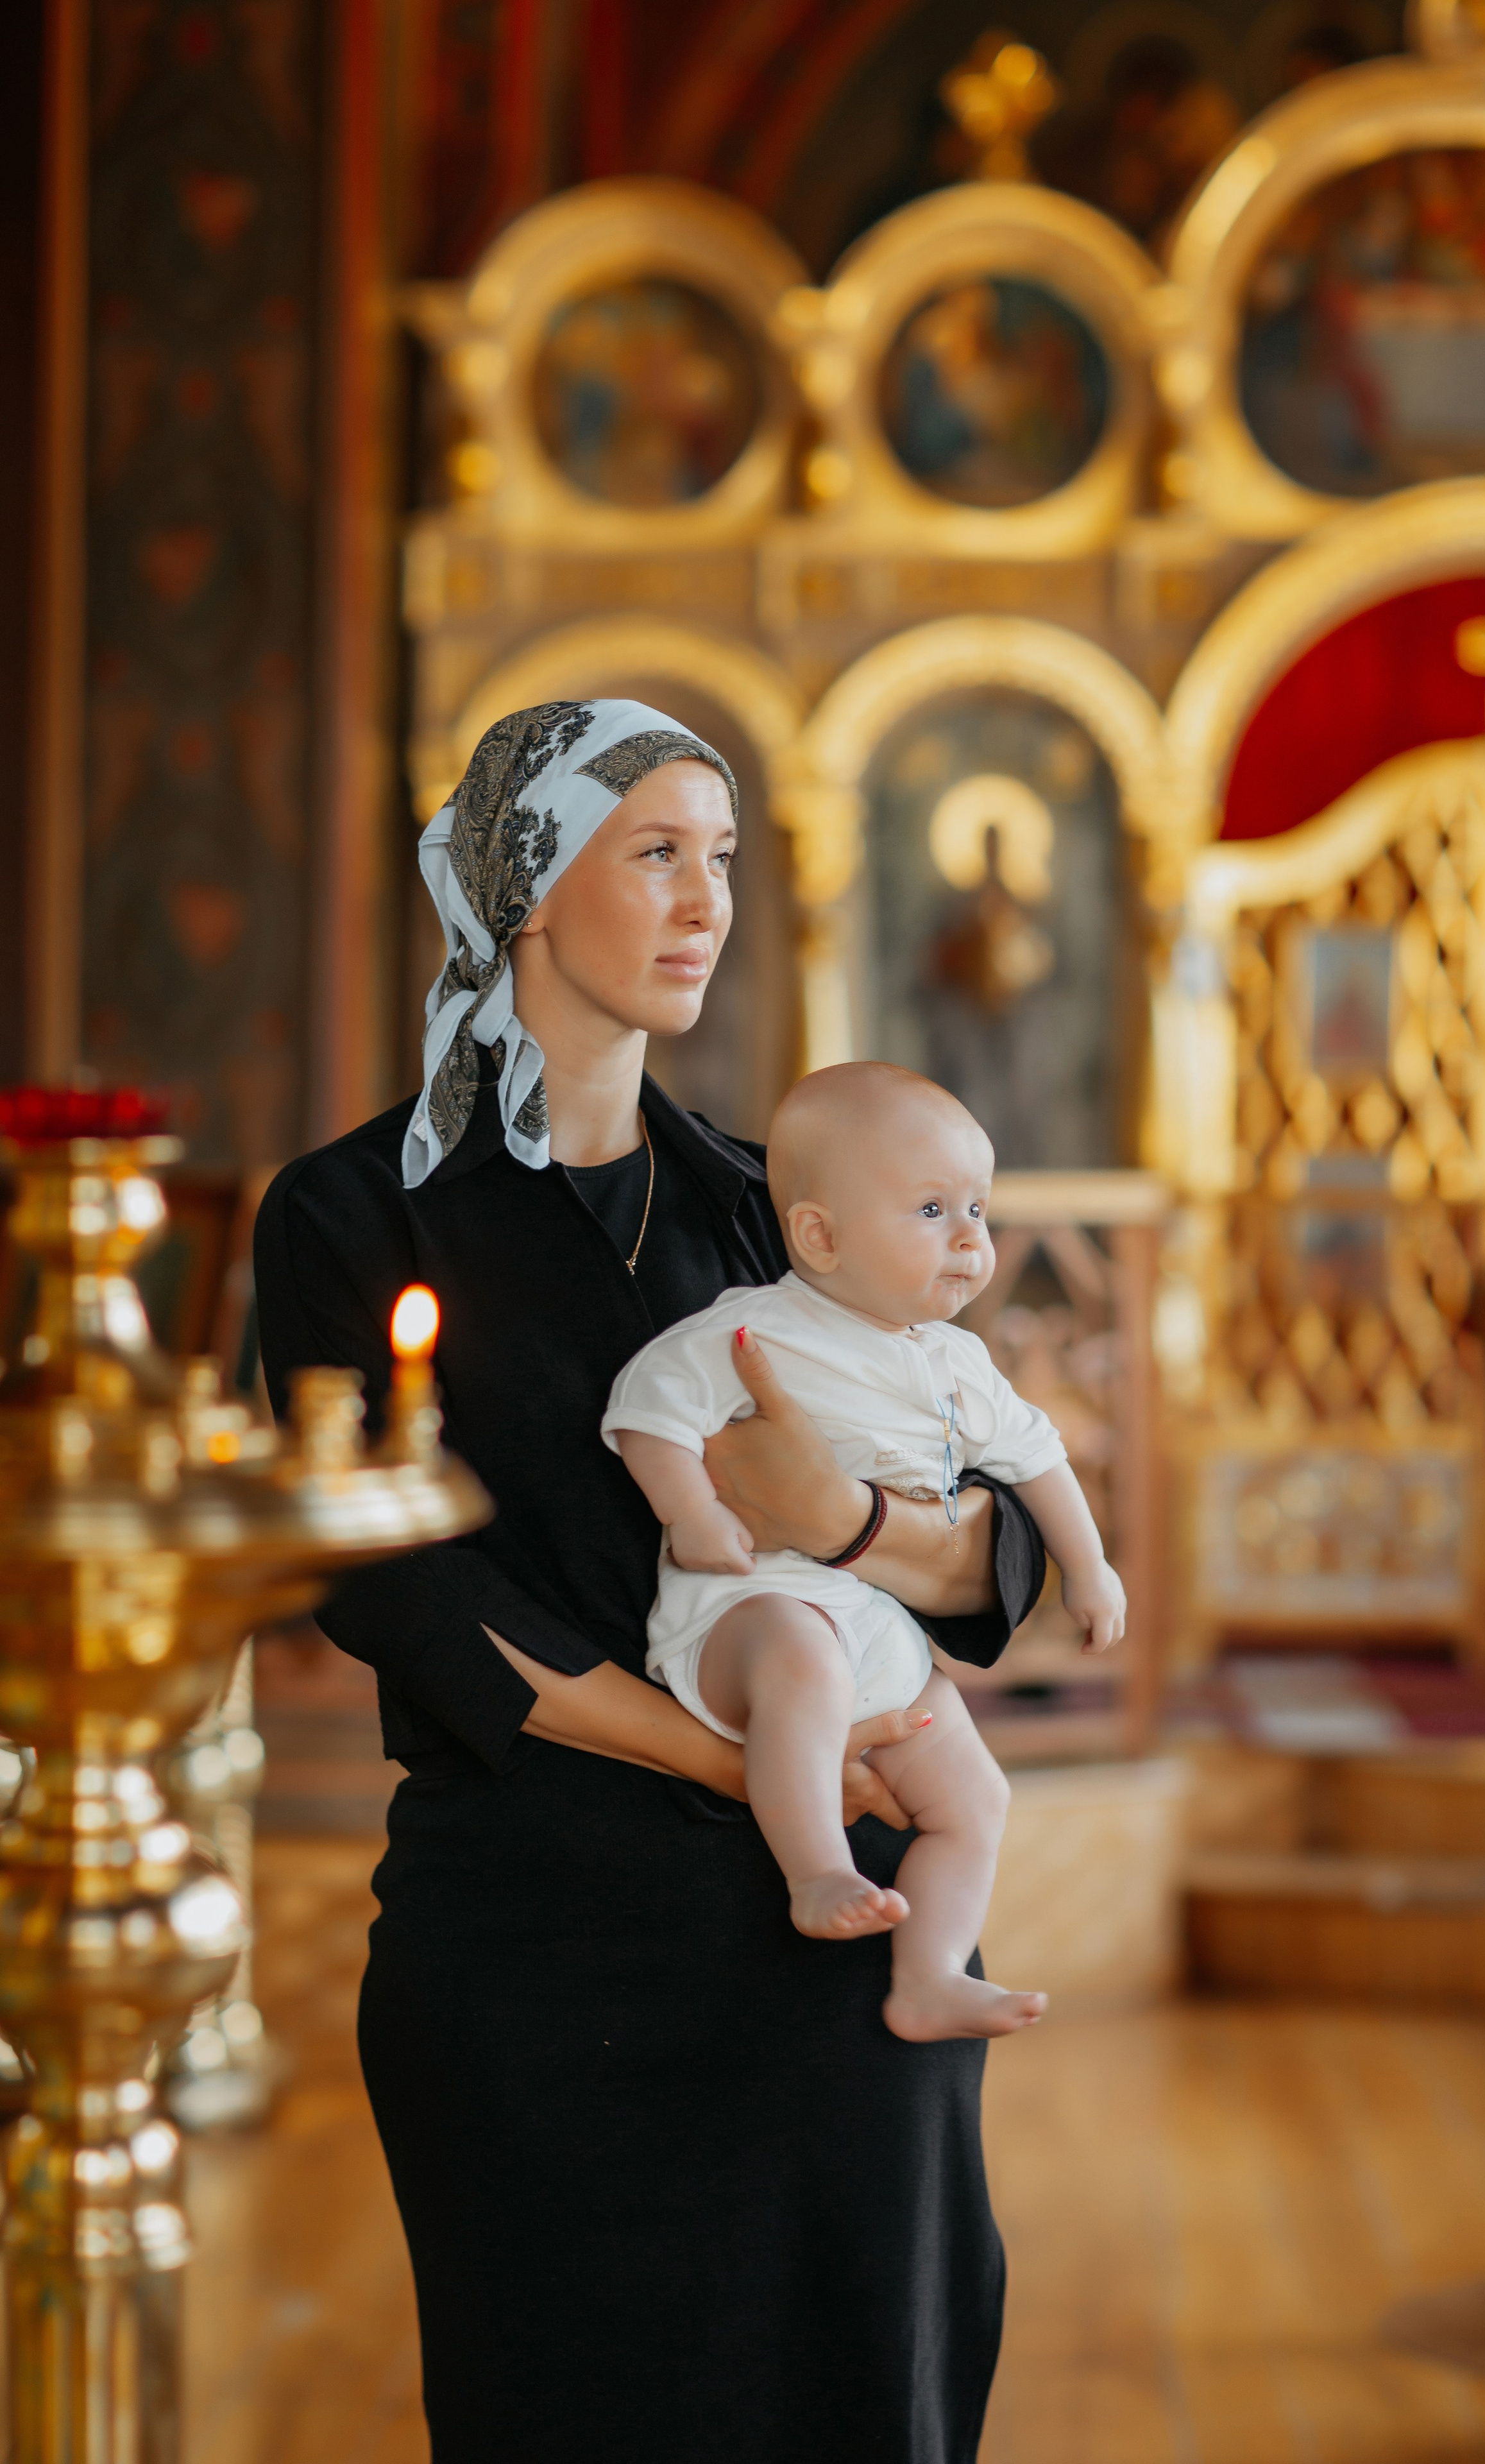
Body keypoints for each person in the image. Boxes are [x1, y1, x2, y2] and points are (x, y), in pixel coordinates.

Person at [253, 699, 1051, 2464]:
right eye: (659, 854)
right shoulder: (349, 1220)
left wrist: (844, 1528)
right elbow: (390, 1589)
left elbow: (994, 1563)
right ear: (529, 880)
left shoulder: (783, 1210)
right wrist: (746, 1762)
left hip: (830, 1950)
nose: (709, 903)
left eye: (727, 863)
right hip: (539, 1941)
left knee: (875, 2401)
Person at [604, 1061, 1127, 2042]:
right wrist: (691, 1514)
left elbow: (1041, 1456)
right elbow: (648, 1412)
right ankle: (815, 1871)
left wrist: (1091, 1568)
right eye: (932, 1209)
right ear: (820, 1235)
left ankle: (927, 1976)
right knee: (801, 1664)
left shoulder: (958, 1363)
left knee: (976, 1795)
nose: (972, 1238)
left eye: (978, 1207)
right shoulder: (757, 1331)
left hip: (880, 1631)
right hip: (750, 1611)